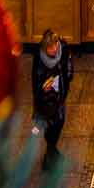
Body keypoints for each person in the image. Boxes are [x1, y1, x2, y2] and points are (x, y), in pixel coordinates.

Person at [31, 30, 74, 171]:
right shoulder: (39, 59)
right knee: (50, 125)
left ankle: (51, 152)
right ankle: (50, 154)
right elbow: (36, 82)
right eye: (50, 48)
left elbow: (68, 62)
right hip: (47, 99)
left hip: (60, 93)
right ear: (45, 48)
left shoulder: (63, 48)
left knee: (60, 121)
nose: (54, 49)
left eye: (55, 45)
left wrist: (69, 74)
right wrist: (43, 89)